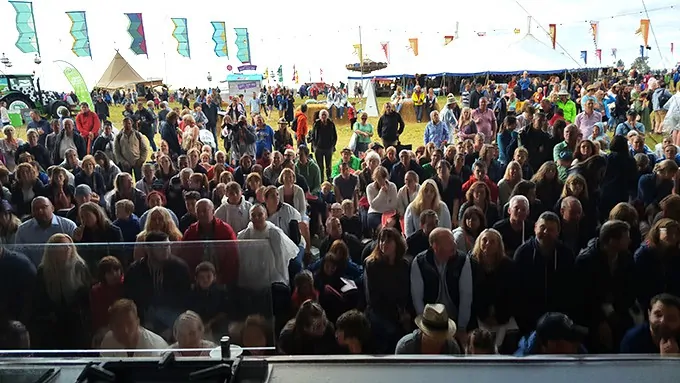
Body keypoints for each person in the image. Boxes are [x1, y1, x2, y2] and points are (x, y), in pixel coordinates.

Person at [574, 220, 637, 353]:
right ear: (612, 241)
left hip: (619, 310)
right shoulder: (586, 262)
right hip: (591, 315)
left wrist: (615, 312)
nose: (630, 241)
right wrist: (600, 321)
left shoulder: (626, 258)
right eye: (625, 237)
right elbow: (583, 298)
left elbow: (629, 290)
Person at [411, 227, 477, 345]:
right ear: (435, 246)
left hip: (456, 317)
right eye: (450, 242)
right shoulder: (420, 262)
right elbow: (417, 298)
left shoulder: (462, 260)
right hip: (431, 319)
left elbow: (466, 295)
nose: (455, 245)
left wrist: (461, 327)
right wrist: (425, 326)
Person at [513, 212, 575, 335]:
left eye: (551, 230)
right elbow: (516, 289)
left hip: (559, 319)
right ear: (535, 227)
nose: (546, 232)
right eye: (543, 228)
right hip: (529, 320)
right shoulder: (523, 253)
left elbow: (571, 288)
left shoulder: (566, 254)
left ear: (558, 232)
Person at [31, 233, 91, 349]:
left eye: (69, 245)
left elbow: (86, 300)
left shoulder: (80, 267)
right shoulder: (43, 272)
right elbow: (40, 303)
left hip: (76, 325)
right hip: (52, 326)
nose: (68, 248)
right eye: (63, 246)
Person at [182, 199, 239, 286]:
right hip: (198, 281)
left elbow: (232, 259)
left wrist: (222, 279)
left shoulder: (225, 230)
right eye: (198, 211)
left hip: (222, 280)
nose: (201, 214)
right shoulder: (191, 232)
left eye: (204, 211)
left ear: (213, 211)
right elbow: (186, 257)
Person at [100, 299, 168, 357]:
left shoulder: (155, 350)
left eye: (129, 324)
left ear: (138, 322)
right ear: (111, 327)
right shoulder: (108, 341)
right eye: (119, 325)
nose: (125, 331)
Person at [395, 303, 461, 355]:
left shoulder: (452, 348)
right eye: (433, 335)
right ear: (422, 330)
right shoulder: (406, 347)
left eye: (441, 335)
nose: (438, 339)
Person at [515, 312, 587, 356]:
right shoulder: (518, 369)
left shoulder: (581, 355)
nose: (577, 343)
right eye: (572, 339)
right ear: (553, 345)